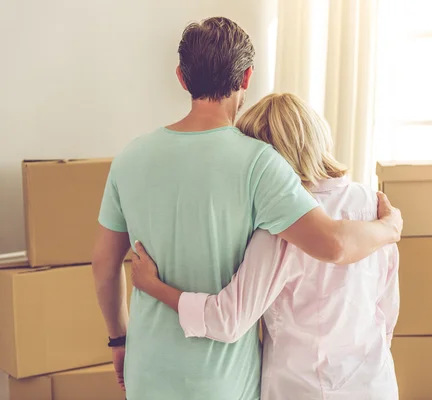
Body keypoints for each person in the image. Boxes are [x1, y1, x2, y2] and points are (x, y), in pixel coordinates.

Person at [91, 18, 402, 400]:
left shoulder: (129, 158)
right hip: (224, 381)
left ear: (181, 78)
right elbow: (335, 246)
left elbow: (104, 266)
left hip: (147, 370)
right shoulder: (261, 163)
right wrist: (390, 228)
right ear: (247, 77)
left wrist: (119, 340)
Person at [131, 93, 400, 400]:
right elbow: (386, 309)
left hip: (300, 389)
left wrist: (152, 285)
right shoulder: (375, 208)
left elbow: (227, 319)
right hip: (375, 384)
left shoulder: (282, 226)